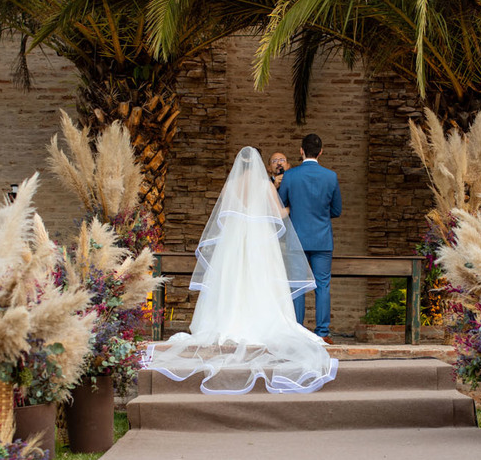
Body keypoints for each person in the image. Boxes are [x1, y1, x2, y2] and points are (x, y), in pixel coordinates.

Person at [143, 147, 337, 394]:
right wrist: (294, 208)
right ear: (257, 164)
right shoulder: (265, 185)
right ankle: (260, 319)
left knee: (233, 279)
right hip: (259, 242)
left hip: (234, 243)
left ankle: (229, 318)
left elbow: (220, 214)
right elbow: (278, 213)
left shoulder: (231, 185)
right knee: (260, 280)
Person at [278, 133, 342, 341]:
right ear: (321, 152)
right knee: (322, 285)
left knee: (297, 284)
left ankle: (298, 330)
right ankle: (322, 332)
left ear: (301, 150)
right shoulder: (330, 176)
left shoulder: (291, 176)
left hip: (297, 238)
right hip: (322, 239)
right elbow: (337, 210)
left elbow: (281, 204)